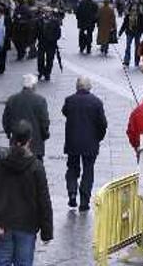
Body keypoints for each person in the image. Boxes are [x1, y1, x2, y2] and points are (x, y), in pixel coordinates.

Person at [0, 120, 53, 265]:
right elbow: (44, 200)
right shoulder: (35, 166)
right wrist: (46, 231)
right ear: (29, 140)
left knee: (1, 262)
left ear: (11, 138)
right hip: (26, 225)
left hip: (0, 224)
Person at [62, 77, 107, 212]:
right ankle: (84, 200)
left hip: (73, 142)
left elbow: (64, 112)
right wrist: (98, 138)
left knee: (72, 168)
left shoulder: (70, 100)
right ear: (89, 87)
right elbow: (103, 124)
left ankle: (72, 192)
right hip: (90, 143)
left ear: (77, 87)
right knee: (88, 170)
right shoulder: (96, 102)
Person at [2, 75, 50, 161]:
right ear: (34, 86)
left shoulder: (12, 99)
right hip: (36, 144)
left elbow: (6, 120)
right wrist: (45, 135)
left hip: (16, 143)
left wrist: (9, 133)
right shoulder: (40, 100)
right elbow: (44, 121)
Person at [36, 7, 62, 81]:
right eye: (45, 12)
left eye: (48, 12)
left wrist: (53, 39)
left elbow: (58, 33)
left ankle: (47, 73)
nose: (46, 13)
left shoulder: (55, 21)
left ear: (51, 13)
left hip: (51, 44)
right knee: (40, 58)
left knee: (49, 59)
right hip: (41, 43)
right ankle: (41, 72)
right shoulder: (39, 21)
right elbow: (36, 31)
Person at [119, 0, 143, 67]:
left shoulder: (140, 14)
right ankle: (127, 61)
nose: (134, 9)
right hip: (131, 32)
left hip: (136, 32)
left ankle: (135, 61)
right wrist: (121, 31)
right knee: (129, 46)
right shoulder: (129, 14)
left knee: (136, 47)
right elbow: (125, 23)